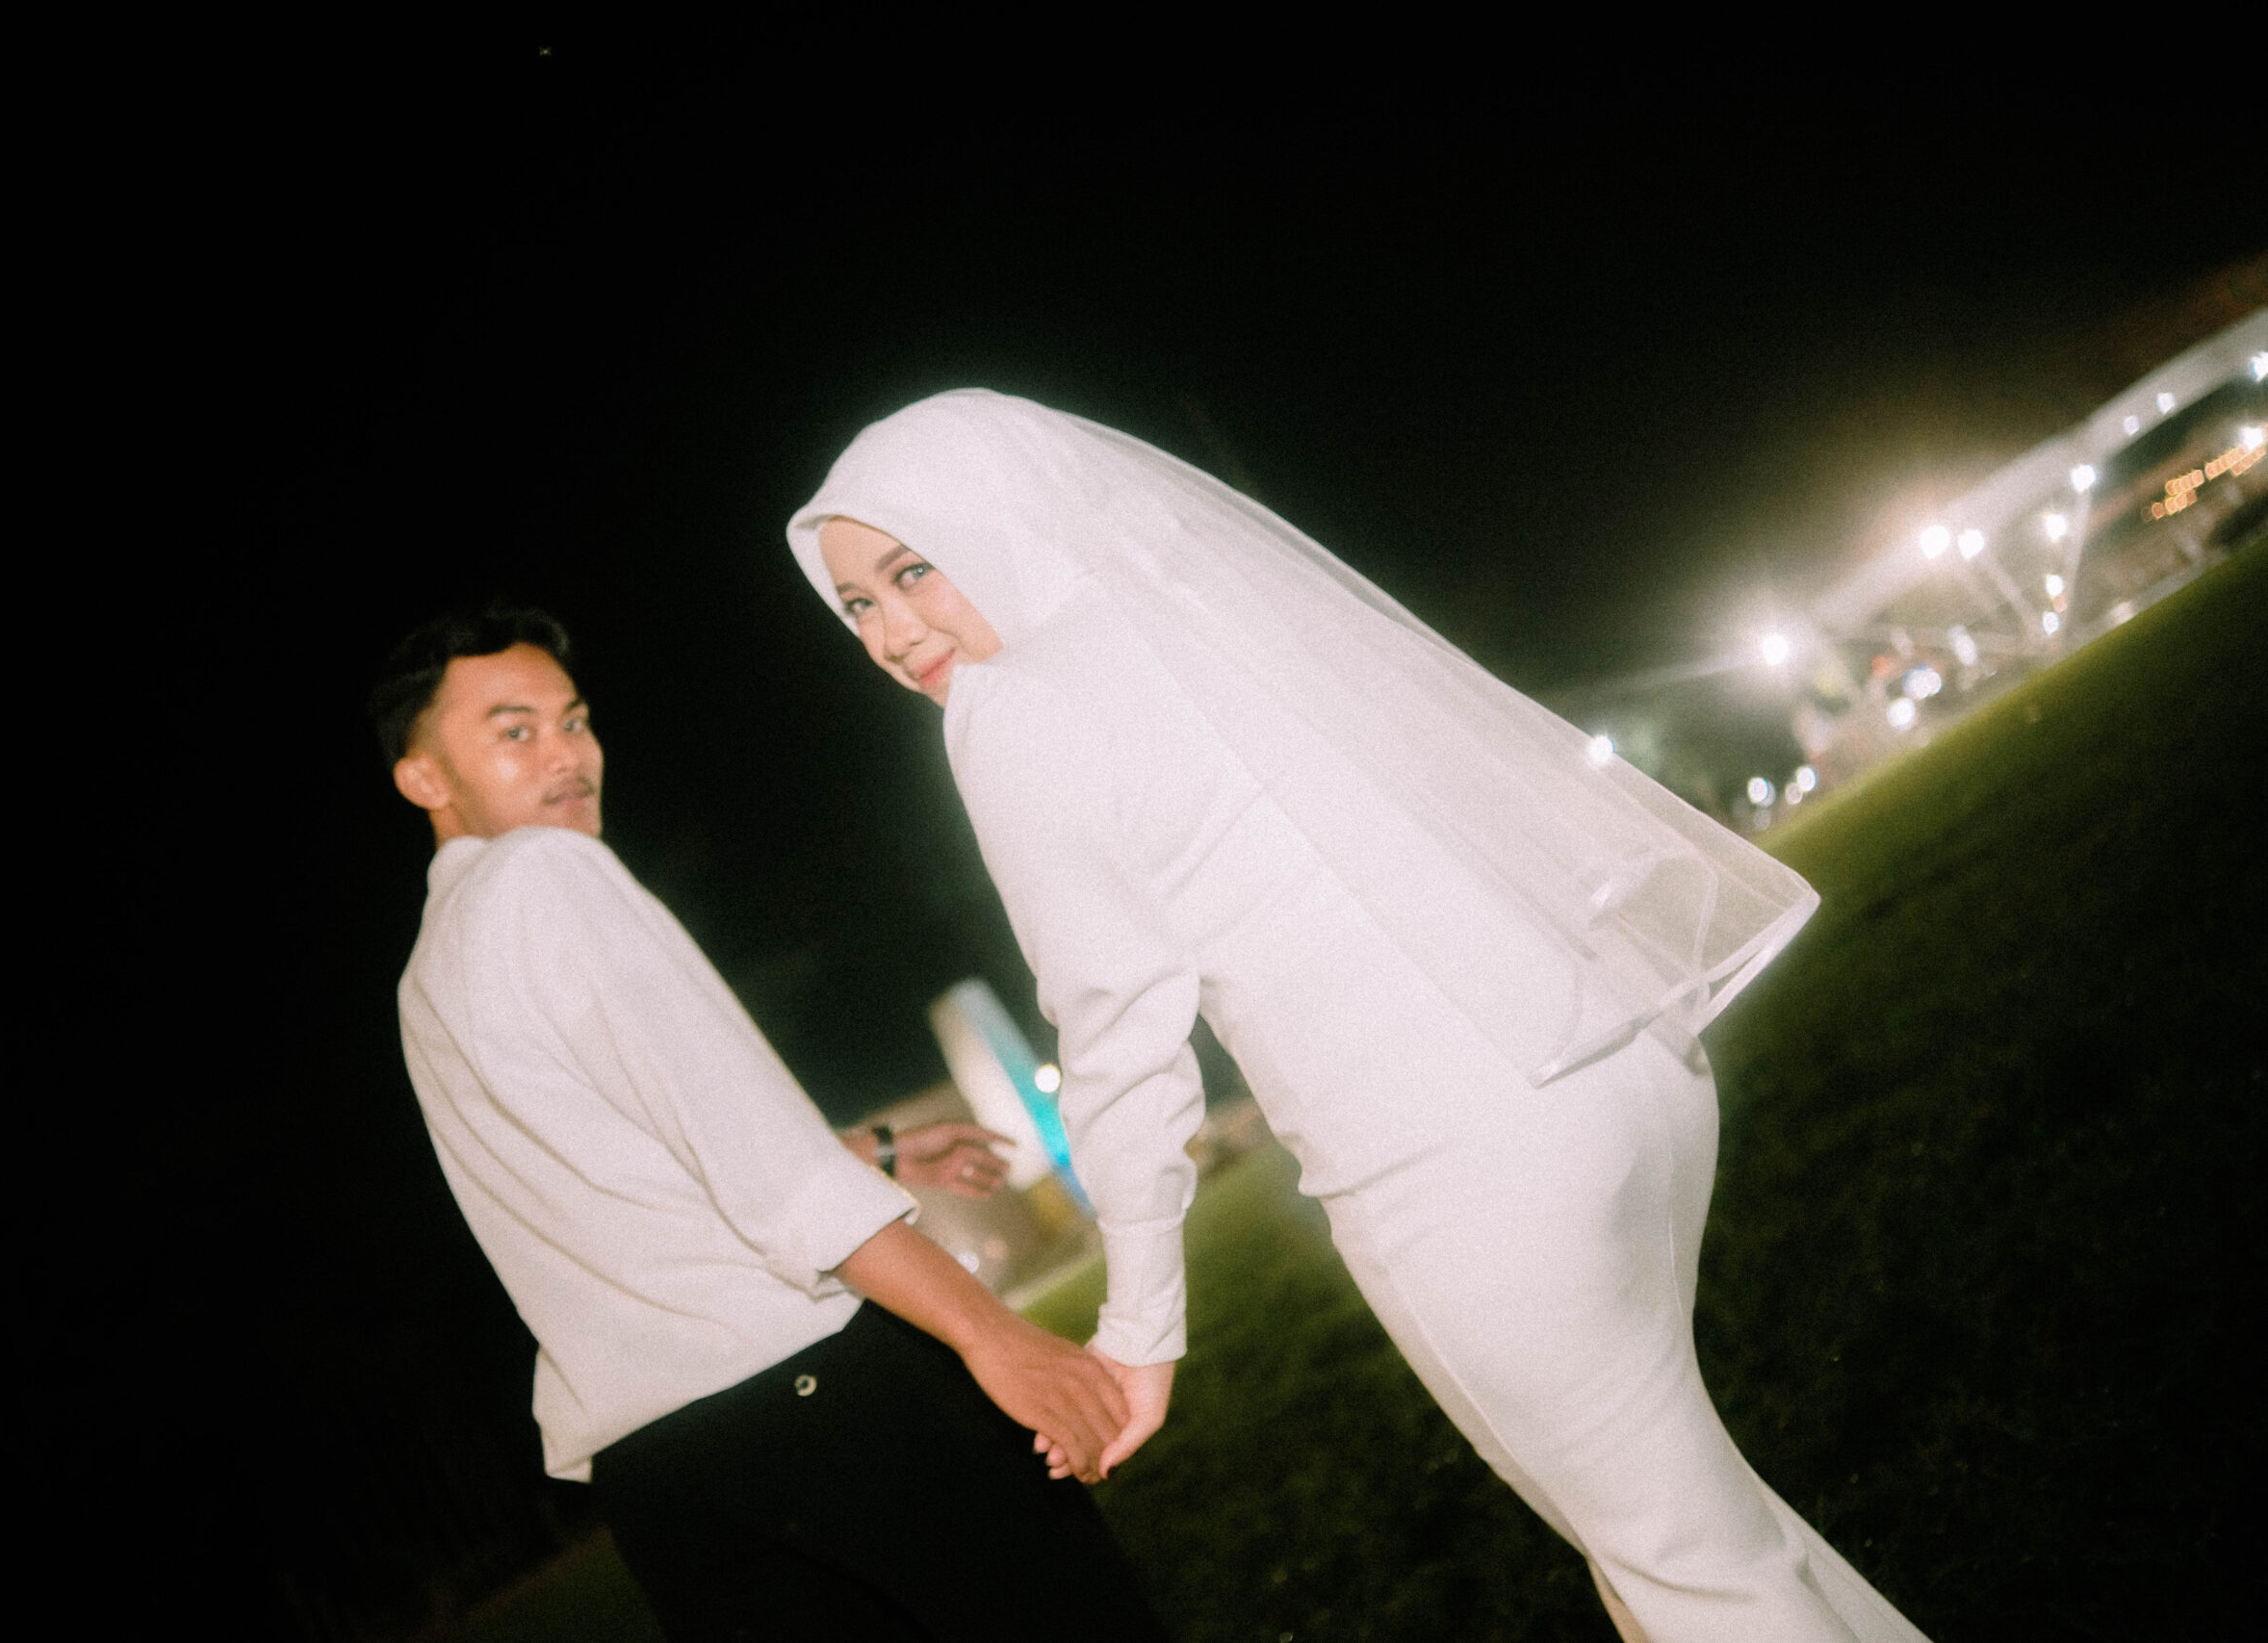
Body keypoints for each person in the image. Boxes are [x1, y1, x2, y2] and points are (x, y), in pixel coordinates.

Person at [786, 391, 1932, 1643]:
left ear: (995, 519)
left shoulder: (1013, 707)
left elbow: (1117, 1031)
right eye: (857, 605)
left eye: (911, 571)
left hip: (1465, 1172)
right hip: (1627, 1071)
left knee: (1690, 1569)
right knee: (1706, 1539)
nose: (892, 632)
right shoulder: (1198, 604)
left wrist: (1139, 1330)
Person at [374, 603, 1167, 1641]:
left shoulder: (426, 978)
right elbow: (760, 1169)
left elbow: (637, 1167)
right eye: (513, 731)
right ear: (423, 778)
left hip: (667, 1482)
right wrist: (991, 1334)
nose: (567, 755)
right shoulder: (545, 871)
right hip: (819, 1400)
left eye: (575, 721)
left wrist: (879, 1149)